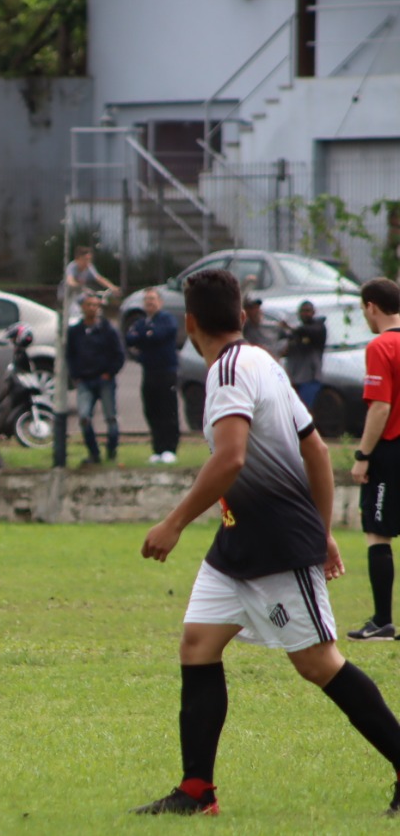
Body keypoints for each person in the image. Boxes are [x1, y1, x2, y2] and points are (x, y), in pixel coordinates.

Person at [134, 268, 400, 817]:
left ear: (189, 323)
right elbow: (318, 451)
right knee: (198, 646)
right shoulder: (261, 360)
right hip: (238, 545)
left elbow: (230, 457)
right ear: (241, 315)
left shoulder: (229, 374)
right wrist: (324, 529)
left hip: (276, 542)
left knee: (319, 663)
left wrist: (174, 522)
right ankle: (196, 791)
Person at [348, 279, 400, 641]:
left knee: (377, 532)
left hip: (390, 450)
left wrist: (363, 455)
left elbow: (380, 407)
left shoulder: (382, 345)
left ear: (371, 307)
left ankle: (382, 620)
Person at [66, 293, 125, 465]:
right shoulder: (75, 331)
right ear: (82, 307)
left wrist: (109, 373)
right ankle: (94, 453)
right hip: (85, 380)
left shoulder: (108, 330)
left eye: (95, 305)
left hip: (104, 379)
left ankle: (112, 450)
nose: (92, 308)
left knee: (110, 417)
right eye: (88, 304)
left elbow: (119, 355)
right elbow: (70, 355)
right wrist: (76, 375)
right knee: (84, 417)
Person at [125, 288, 180, 464]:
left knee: (167, 410)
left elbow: (159, 335)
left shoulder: (167, 319)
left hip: (166, 372)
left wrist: (145, 337)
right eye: (147, 300)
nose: (150, 303)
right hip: (149, 372)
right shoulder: (142, 322)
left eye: (153, 299)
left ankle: (170, 448)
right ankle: (157, 448)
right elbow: (130, 338)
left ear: (160, 302)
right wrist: (145, 336)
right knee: (152, 410)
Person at [284, 299, 327, 410]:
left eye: (308, 311)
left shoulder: (318, 329)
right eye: (302, 311)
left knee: (305, 410)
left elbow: (308, 331)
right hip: (295, 378)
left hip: (311, 378)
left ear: (313, 312)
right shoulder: (295, 334)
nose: (305, 313)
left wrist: (290, 328)